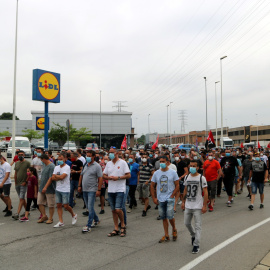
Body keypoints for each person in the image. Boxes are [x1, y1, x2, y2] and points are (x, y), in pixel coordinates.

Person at [150, 156, 179, 243]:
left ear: (167, 162)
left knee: (170, 216)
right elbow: (152, 185)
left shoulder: (173, 172)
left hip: (170, 198)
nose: (161, 163)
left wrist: (172, 195)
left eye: (163, 161)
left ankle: (174, 229)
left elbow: (177, 185)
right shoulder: (156, 173)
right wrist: (154, 198)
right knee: (163, 217)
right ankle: (166, 235)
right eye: (160, 161)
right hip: (160, 198)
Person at [182, 160, 208, 254]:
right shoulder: (186, 177)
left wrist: (204, 205)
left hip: (197, 205)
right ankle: (193, 235)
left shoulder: (201, 178)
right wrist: (183, 201)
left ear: (198, 167)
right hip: (188, 205)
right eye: (191, 166)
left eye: (194, 166)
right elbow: (185, 189)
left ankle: (196, 244)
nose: (192, 167)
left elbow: (205, 192)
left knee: (198, 226)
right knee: (186, 223)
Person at [103, 148, 131, 237]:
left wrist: (118, 178)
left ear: (117, 153)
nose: (110, 154)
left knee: (118, 209)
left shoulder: (123, 163)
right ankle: (116, 228)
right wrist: (108, 178)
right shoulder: (108, 164)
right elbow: (104, 175)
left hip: (120, 189)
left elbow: (128, 175)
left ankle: (123, 225)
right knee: (113, 210)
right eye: (109, 152)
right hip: (111, 189)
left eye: (112, 152)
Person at [78, 150, 103, 233]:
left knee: (90, 207)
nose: (87, 157)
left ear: (93, 157)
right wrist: (79, 186)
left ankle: (88, 225)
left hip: (92, 189)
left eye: (89, 156)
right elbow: (81, 175)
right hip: (84, 189)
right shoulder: (85, 164)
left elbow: (100, 178)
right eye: (87, 156)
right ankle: (96, 220)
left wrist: (98, 189)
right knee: (89, 207)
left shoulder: (97, 166)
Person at [51, 153, 77, 227]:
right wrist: (57, 176)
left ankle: (73, 215)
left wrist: (56, 176)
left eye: (61, 159)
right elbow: (52, 178)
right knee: (59, 205)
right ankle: (61, 221)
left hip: (65, 189)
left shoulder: (67, 167)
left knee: (66, 205)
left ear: (65, 159)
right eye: (58, 159)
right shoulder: (56, 167)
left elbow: (63, 177)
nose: (59, 161)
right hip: (58, 188)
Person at [12, 151, 30, 220]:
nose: (20, 156)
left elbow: (29, 173)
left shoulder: (27, 163)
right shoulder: (17, 163)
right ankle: (27, 211)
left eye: (22, 154)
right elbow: (16, 173)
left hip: (24, 183)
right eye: (19, 155)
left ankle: (17, 213)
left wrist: (26, 181)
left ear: (24, 155)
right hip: (18, 184)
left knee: (21, 198)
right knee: (21, 198)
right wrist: (15, 182)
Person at [38, 154, 56, 224]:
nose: (41, 161)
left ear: (44, 159)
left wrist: (45, 187)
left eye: (41, 160)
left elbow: (50, 178)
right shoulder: (44, 165)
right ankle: (44, 216)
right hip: (41, 187)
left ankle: (51, 218)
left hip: (49, 188)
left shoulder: (51, 166)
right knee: (40, 202)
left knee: (51, 204)